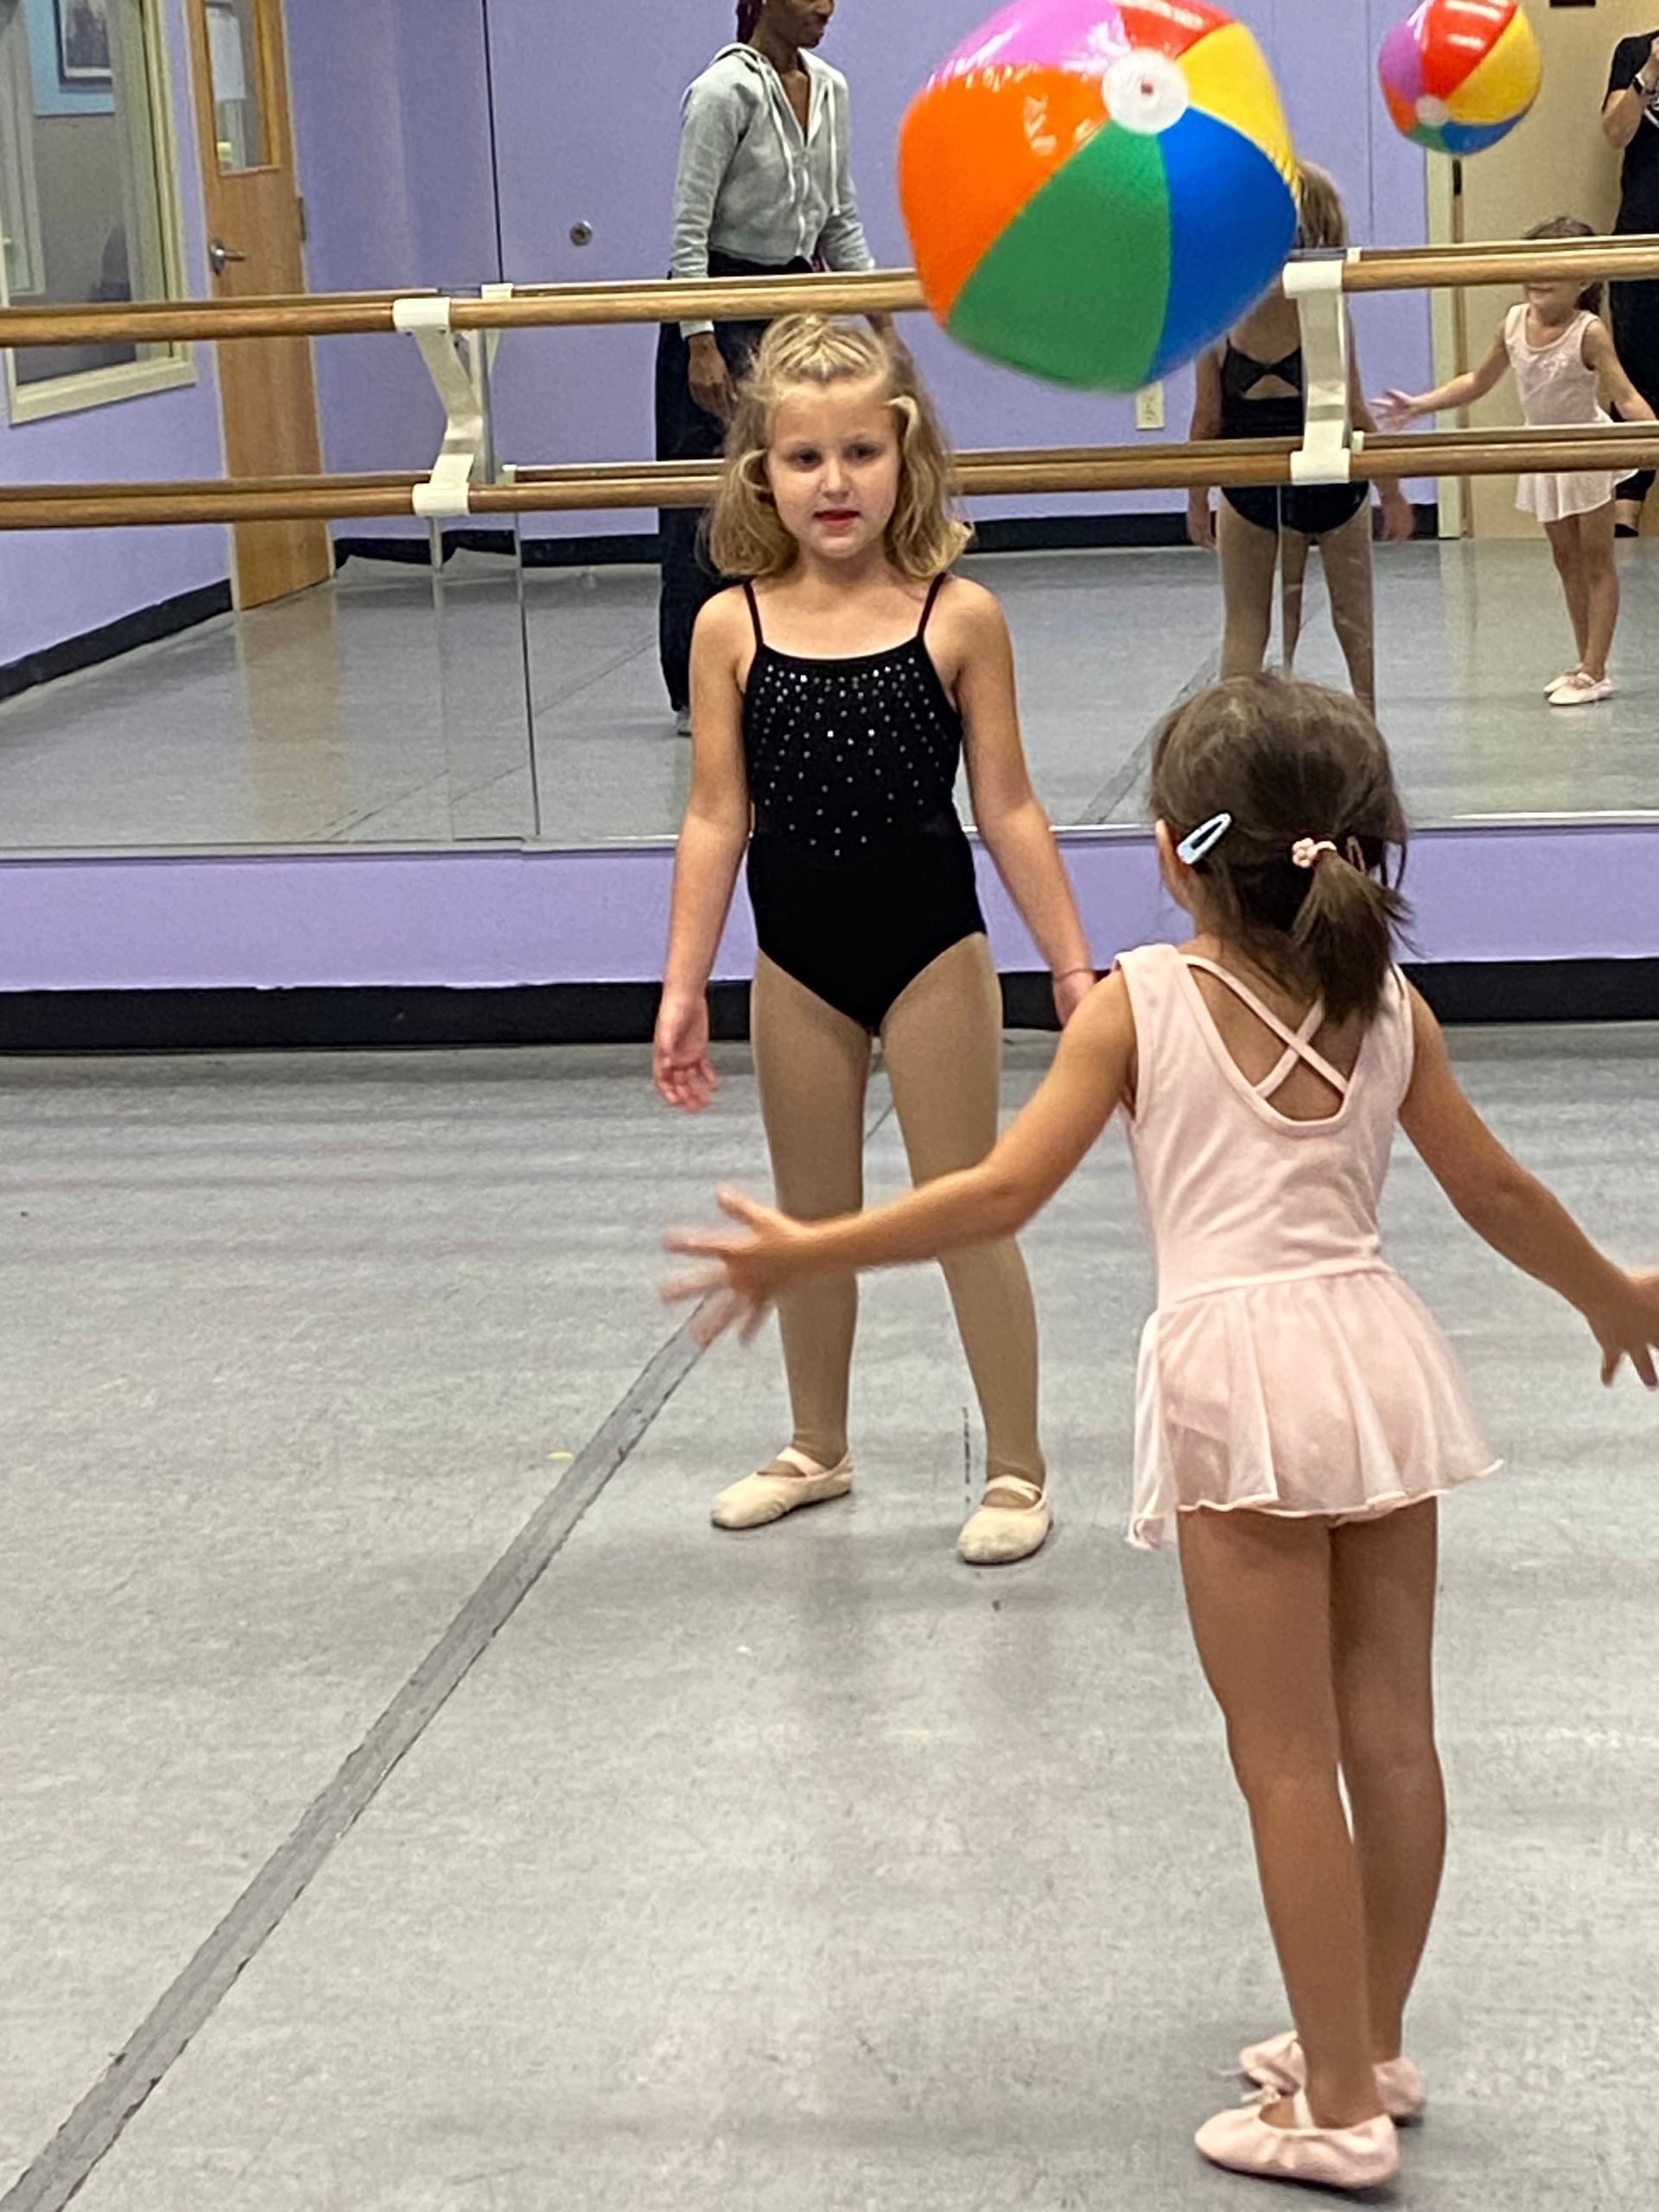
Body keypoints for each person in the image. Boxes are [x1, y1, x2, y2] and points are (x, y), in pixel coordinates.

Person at [665, 674, 1659, 2191]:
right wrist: (1615, 1295)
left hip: (1239, 1385)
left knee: (1283, 1765)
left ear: (1173, 855)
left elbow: (999, 1196)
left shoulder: (1138, 1001)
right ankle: (1372, 2040)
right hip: (1379, 1361)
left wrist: (814, 1245)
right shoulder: (1390, 1003)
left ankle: (1332, 2104)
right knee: (1393, 1740)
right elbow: (1499, 1195)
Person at [653, 314, 1095, 1567]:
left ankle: (1016, 1465)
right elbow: (713, 813)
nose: (834, 483)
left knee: (965, 1208)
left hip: (931, 955)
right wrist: (685, 983)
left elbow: (1006, 804)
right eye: (804, 460)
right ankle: (817, 1445)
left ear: (908, 460)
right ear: (761, 476)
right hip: (795, 960)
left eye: (860, 453)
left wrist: (1068, 959)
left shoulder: (958, 617)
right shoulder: (729, 628)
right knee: (811, 1213)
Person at [658, 0, 886, 734]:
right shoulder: (722, 93)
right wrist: (701, 339)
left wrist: (881, 317)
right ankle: (699, 685)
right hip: (721, 301)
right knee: (706, 501)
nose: (825, 7)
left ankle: (787, 658)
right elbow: (688, 229)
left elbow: (839, 216)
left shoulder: (832, 89)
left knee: (787, 492)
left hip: (794, 299)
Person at [1381, 216, 1657, 708]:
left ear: (1585, 279)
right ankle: (1583, 661)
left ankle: (1596, 668)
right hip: (1541, 452)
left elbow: (1625, 394)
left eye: (1553, 268)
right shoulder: (1512, 322)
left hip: (1586, 450)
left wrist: (1651, 435)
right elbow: (1477, 381)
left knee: (1597, 560)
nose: (1538, 277)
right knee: (1564, 559)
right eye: (1532, 265)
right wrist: (1420, 405)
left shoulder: (1588, 332)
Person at [1186, 165, 1414, 715]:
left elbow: (1206, 420)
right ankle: (1366, 729)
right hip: (1331, 480)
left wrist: (1196, 500)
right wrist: (1392, 492)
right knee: (1354, 626)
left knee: (1244, 626)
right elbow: (1356, 411)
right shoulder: (1325, 309)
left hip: (1250, 483)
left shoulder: (1224, 316)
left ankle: (1232, 741)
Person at [1602, 27, 1659, 535]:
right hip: (1641, 237)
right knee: (1636, 379)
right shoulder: (1635, 51)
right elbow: (1615, 133)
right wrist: (1650, 73)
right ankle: (1624, 527)